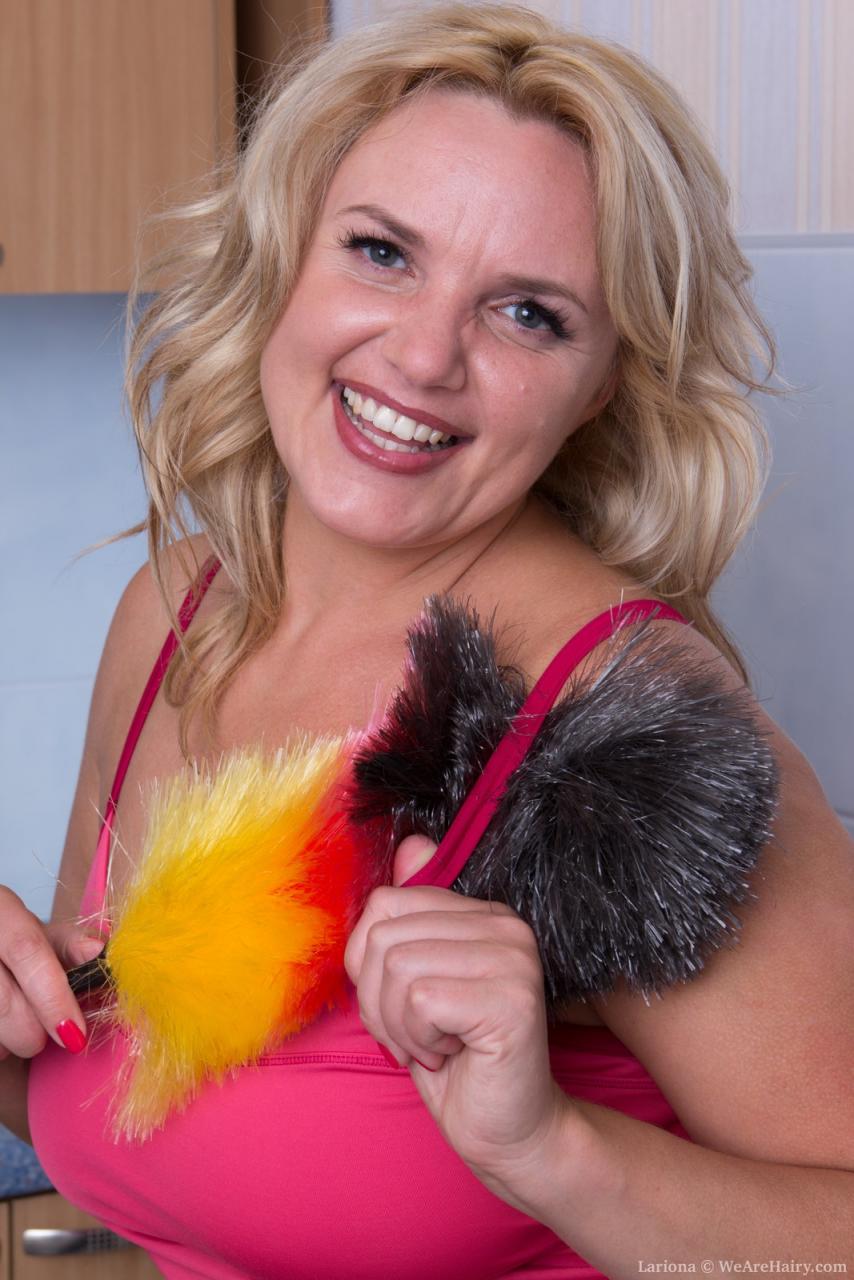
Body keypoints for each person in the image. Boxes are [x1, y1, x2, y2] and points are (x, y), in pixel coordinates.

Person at [2, 3, 852, 1275]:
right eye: (382, 251)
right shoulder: (180, 612)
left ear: (606, 380)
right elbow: (142, 1118)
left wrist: (550, 1148)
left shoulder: (629, 727)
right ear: (287, 249)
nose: (422, 354)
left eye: (528, 314)